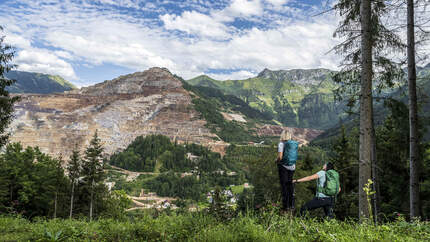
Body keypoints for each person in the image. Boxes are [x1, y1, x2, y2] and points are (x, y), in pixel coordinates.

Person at [276, 129, 299, 212]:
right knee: (290, 185)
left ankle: (285, 207)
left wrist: (276, 160)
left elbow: (280, 157)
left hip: (284, 167)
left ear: (282, 135)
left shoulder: (281, 144)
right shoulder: (293, 144)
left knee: (284, 186)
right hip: (292, 167)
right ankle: (292, 205)